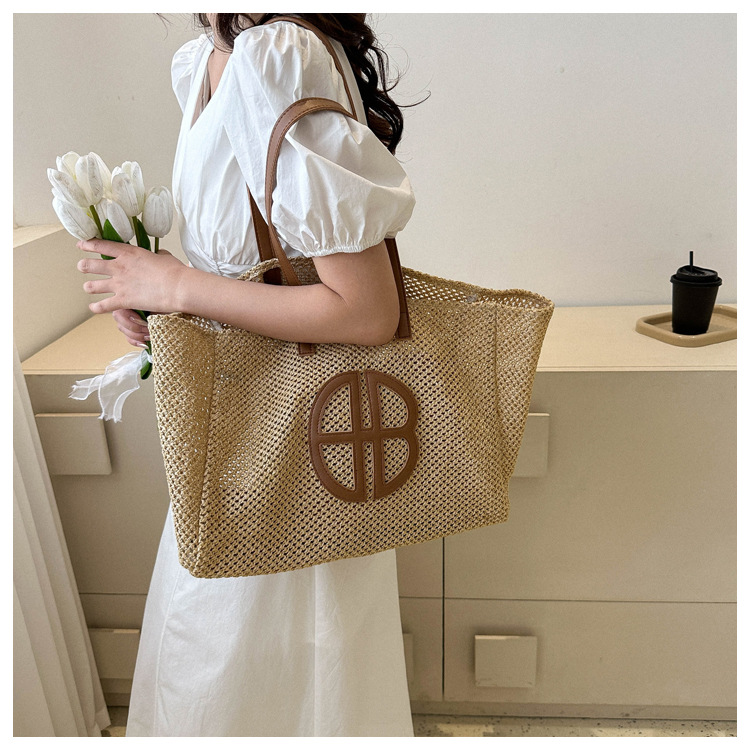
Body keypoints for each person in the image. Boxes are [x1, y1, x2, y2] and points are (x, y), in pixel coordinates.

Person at [76, 13, 417, 737]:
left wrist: (179, 287)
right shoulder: (203, 59)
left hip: (291, 440)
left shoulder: (276, 52)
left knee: (244, 666)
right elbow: (244, 265)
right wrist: (162, 300)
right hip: (235, 430)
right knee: (222, 657)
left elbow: (366, 311)